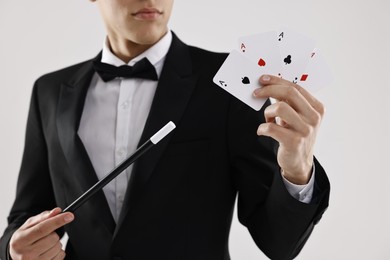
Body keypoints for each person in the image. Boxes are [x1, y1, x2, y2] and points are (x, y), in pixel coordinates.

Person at [0, 0, 330, 259]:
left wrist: (297, 171)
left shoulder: (226, 83)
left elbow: (279, 244)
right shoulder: (49, 90)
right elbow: (27, 215)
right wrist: (14, 249)